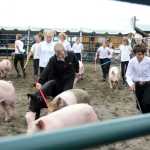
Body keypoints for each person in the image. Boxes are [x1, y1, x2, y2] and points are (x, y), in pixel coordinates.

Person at [27, 43, 79, 119]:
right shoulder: (53, 59)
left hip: (69, 78)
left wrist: (77, 71)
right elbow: (46, 70)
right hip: (57, 79)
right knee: (42, 90)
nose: (61, 56)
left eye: (62, 53)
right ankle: (35, 111)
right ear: (55, 53)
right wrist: (39, 82)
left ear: (64, 50)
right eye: (58, 55)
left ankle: (64, 114)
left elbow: (76, 63)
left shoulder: (71, 54)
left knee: (64, 95)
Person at [126, 44, 150, 113]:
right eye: (138, 54)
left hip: (148, 85)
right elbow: (128, 75)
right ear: (135, 53)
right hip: (137, 85)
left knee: (147, 102)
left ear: (144, 53)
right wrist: (131, 84)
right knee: (139, 104)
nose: (141, 56)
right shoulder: (132, 62)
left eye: (142, 54)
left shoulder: (149, 61)